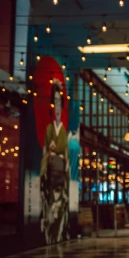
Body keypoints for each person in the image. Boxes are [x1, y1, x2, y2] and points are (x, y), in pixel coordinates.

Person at [40, 80, 70, 244]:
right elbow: (46, 151)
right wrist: (51, 153)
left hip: (60, 173)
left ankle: (58, 232)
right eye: (55, 102)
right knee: (51, 201)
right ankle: (50, 232)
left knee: (60, 202)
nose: (57, 107)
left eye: (60, 102)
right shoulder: (49, 129)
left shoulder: (63, 130)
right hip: (52, 171)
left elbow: (65, 154)